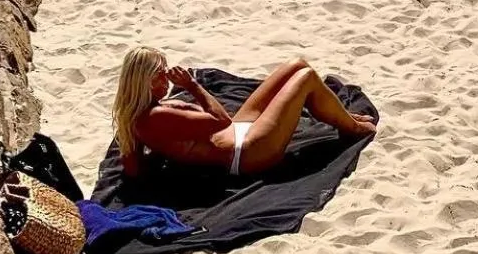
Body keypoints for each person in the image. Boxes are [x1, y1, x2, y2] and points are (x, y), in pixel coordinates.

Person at [112, 48, 375, 180]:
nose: (168, 78)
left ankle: (344, 119)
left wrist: (164, 156)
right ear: (146, 81)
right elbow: (220, 121)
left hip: (237, 133)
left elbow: (133, 169)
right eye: (162, 74)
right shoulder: (155, 117)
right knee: (305, 78)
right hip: (248, 152)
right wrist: (192, 85)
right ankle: (350, 127)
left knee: (297, 65)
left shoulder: (134, 117)